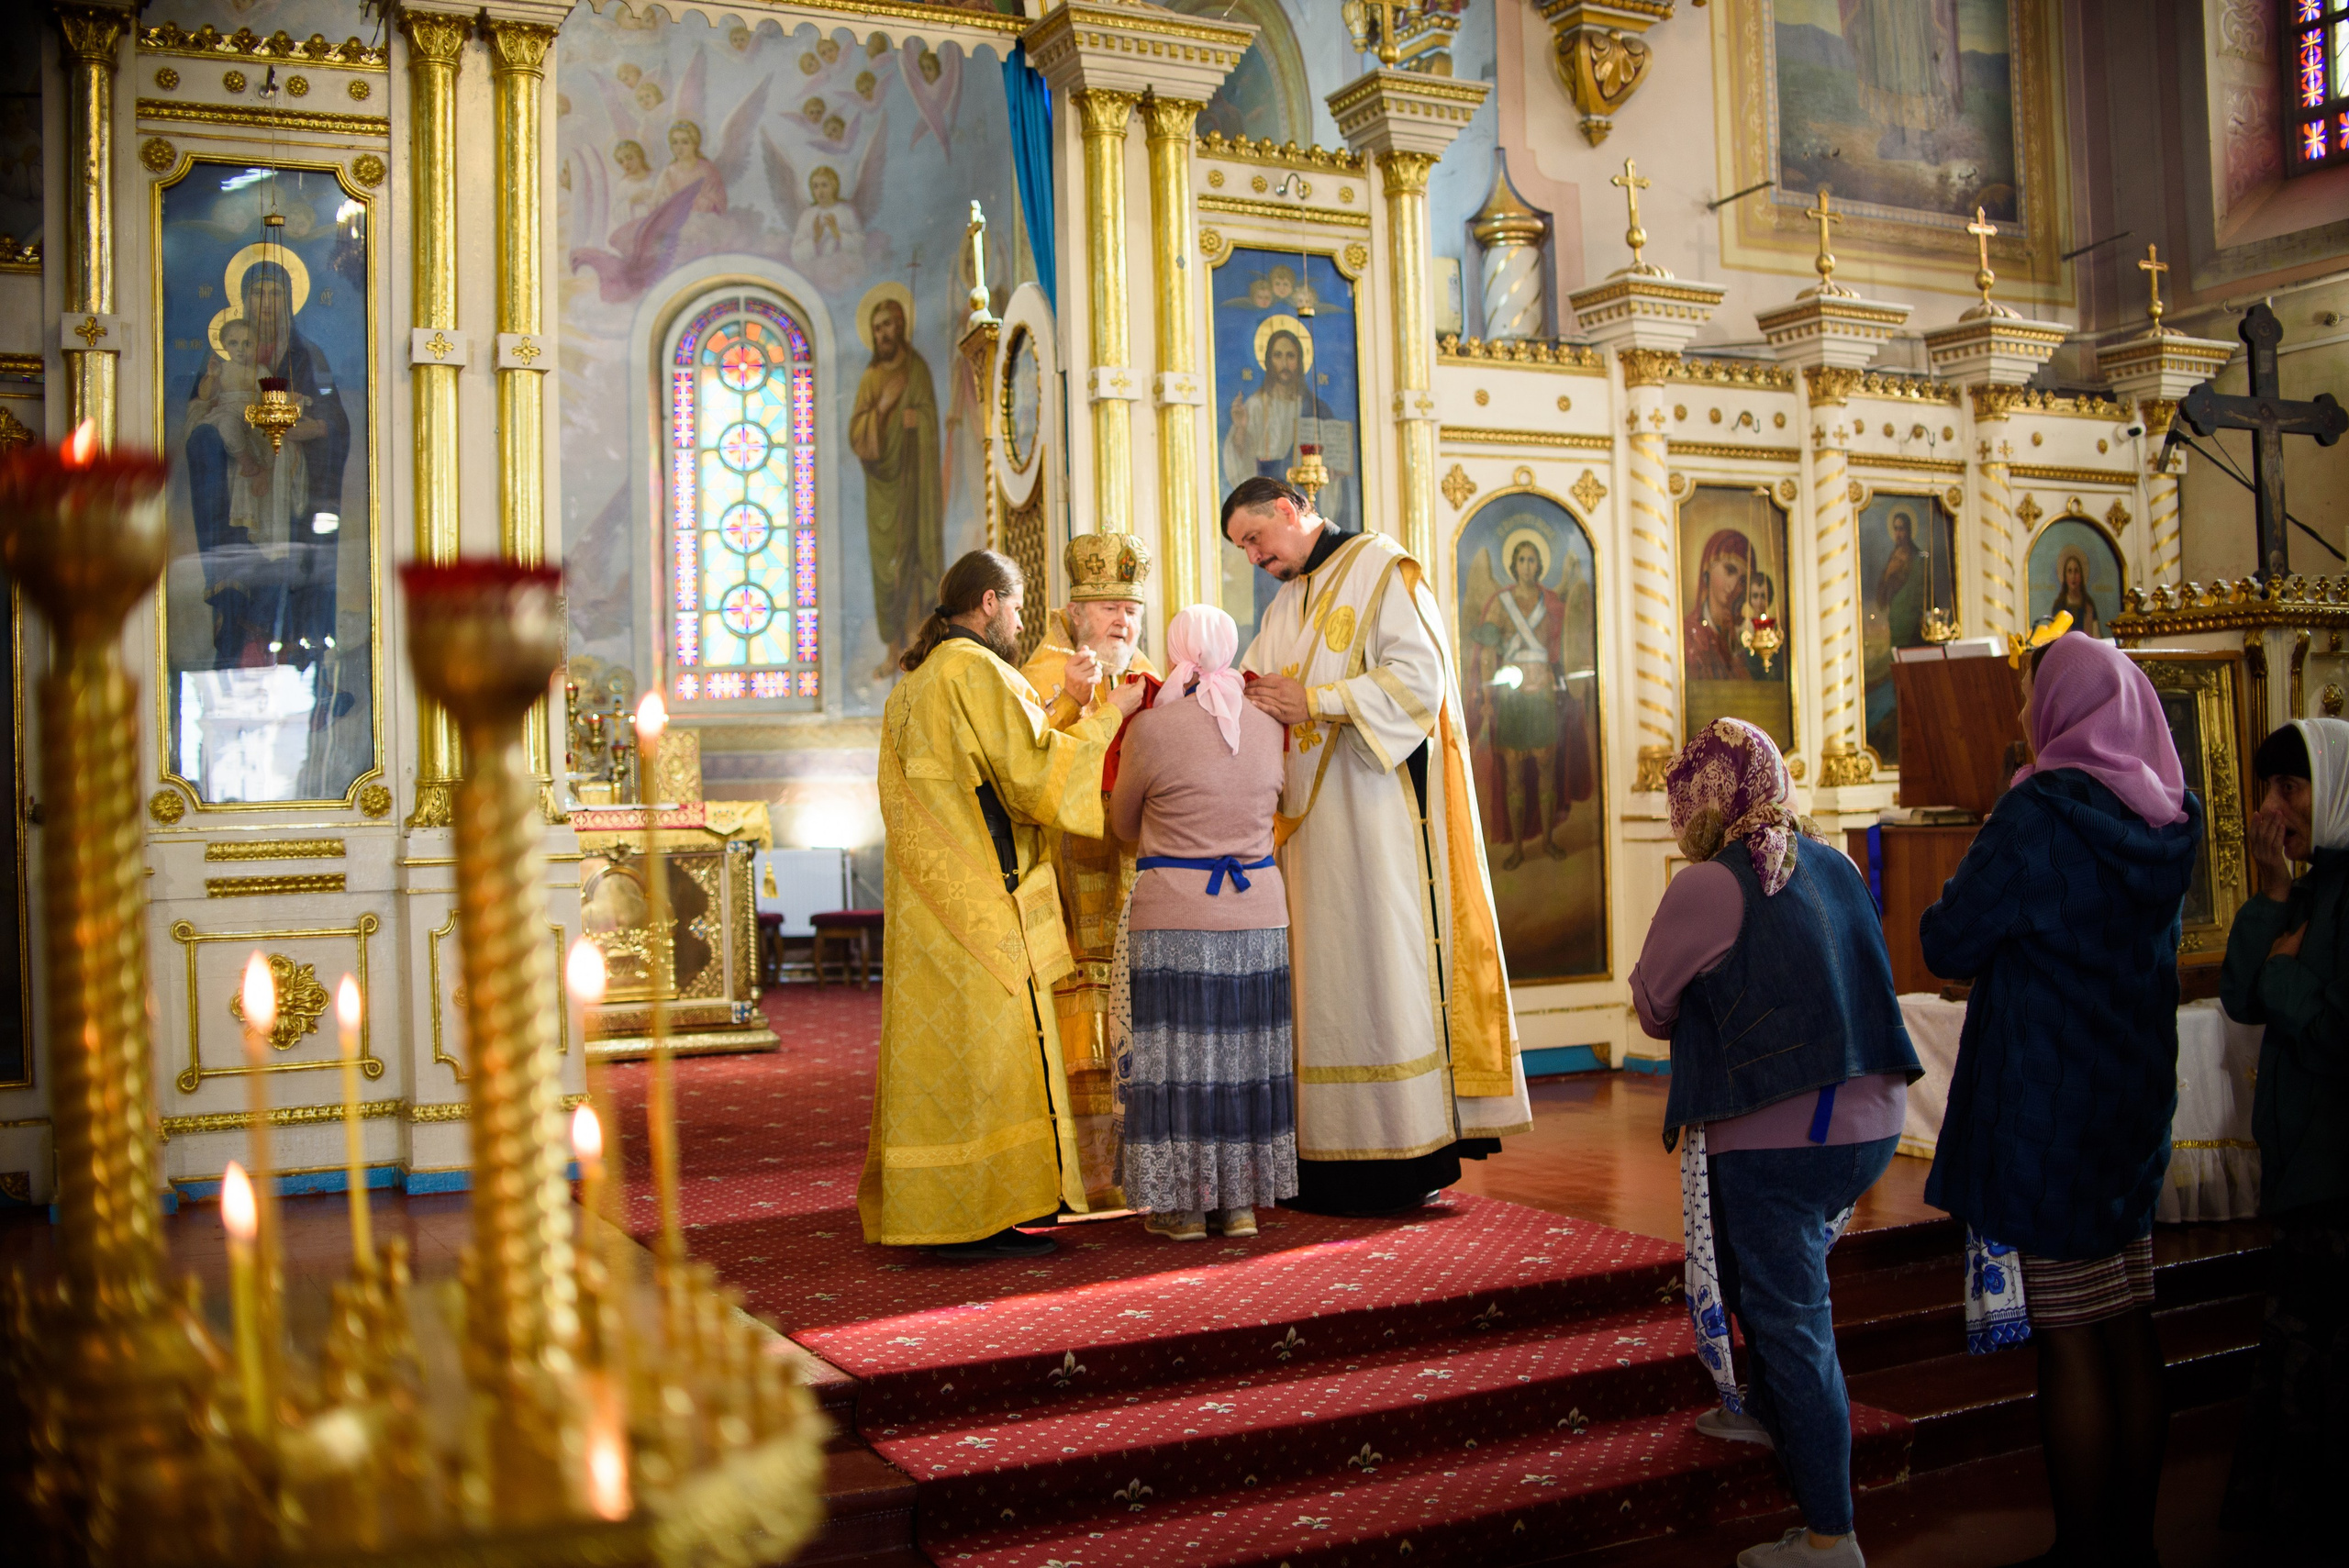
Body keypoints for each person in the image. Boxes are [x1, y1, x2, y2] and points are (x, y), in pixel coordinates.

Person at [1920, 632, 2201, 1568]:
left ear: (2065, 710)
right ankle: (2129, 1538)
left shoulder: (2039, 813)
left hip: (2047, 1108)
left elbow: (1950, 939)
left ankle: (2084, 1547)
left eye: (2031, 695)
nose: (2018, 715)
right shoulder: (2166, 817)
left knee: (2071, 1334)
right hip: (2128, 1102)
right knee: (2126, 1314)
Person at [1633, 717, 1919, 1568]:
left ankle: (1832, 1536)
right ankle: (1760, 1405)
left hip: (1781, 1130)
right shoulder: (1829, 859)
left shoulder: (1714, 884)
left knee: (1795, 1320)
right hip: (1872, 1118)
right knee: (1758, 1262)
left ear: (1709, 802)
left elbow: (1652, 1004)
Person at [1222, 476, 1530, 1215]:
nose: (1254, 556)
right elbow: (1255, 683)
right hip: (1305, 834)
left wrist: (1320, 700)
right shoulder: (1287, 601)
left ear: (1292, 509)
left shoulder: (1381, 569)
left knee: (1377, 977)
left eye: (1256, 538)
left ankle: (1397, 1154)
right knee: (1324, 988)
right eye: (1243, 549)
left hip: (1373, 822)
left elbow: (1423, 683)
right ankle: (1321, 1158)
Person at [858, 550, 1148, 1261]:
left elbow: (988, 766)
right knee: (997, 1054)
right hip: (984, 896)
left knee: (944, 1054)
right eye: (1018, 608)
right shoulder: (978, 670)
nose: (1020, 622)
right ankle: (993, 1209)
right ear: (990, 602)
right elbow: (1031, 778)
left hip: (931, 902)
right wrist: (1114, 711)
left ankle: (941, 1208)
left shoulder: (917, 682)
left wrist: (1071, 707)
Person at [1109, 604, 1297, 1240]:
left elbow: (1121, 825)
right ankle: (1239, 1205)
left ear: (1174, 651)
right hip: (1259, 912)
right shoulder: (1270, 726)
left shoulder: (1152, 731)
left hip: (1175, 913)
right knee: (1245, 1058)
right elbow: (1287, 802)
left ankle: (1182, 1208)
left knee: (1177, 1061)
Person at [2221, 717, 2349, 1551]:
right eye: (2268, 789)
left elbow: (2333, 1030)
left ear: (2333, 789)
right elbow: (2241, 996)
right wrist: (2269, 895)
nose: (2273, 807)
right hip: (2305, 1169)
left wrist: (2286, 972)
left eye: (2290, 788)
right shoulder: (2307, 887)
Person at [1019, 534, 1160, 1208]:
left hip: (1139, 877)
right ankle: (1081, 1174)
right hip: (1069, 887)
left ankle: (1144, 1168)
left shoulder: (1152, 678)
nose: (1121, 623)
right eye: (1106, 607)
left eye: (1130, 609)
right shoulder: (1035, 680)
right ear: (1074, 612)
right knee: (1076, 1017)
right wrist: (1078, 705)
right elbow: (1029, 773)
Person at [1469, 531, 1592, 871]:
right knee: (1513, 774)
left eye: (1532, 559)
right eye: (1521, 559)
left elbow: (1570, 641)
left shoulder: (1551, 601)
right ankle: (1520, 848)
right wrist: (1488, 697)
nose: (1527, 566)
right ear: (1513, 565)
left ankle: (1549, 840)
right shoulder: (1500, 603)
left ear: (1540, 564)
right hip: (1512, 699)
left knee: (1547, 769)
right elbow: (1487, 652)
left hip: (1542, 697)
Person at [851, 295, 942, 676]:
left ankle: (915, 648)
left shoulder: (916, 370)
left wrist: (915, 420)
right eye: (876, 327)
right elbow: (858, 435)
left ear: (901, 325)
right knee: (887, 572)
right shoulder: (872, 379)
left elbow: (930, 422)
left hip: (914, 489)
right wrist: (885, 408)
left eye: (888, 324)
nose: (883, 333)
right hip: (882, 493)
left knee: (913, 564)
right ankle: (893, 653)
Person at [1683, 528, 1753, 682]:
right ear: (1707, 571)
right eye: (1729, 571)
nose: (1734, 585)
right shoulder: (1688, 634)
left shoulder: (1747, 636)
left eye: (1742, 580)